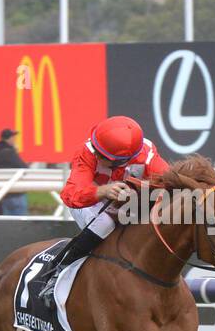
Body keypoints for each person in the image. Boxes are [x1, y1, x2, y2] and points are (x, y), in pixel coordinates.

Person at [37, 115, 170, 306]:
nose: (96, 155)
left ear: (122, 161)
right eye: (98, 152)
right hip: (90, 201)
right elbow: (71, 194)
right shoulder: (87, 151)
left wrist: (142, 188)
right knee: (105, 223)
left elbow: (168, 182)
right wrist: (102, 191)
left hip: (124, 203)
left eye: (102, 156)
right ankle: (57, 272)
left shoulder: (147, 154)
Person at [0, 128, 28, 216]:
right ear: (9, 138)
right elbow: (24, 167)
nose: (15, 139)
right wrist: (15, 152)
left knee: (8, 221)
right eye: (13, 137)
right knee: (20, 222)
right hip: (15, 192)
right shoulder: (9, 152)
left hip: (4, 192)